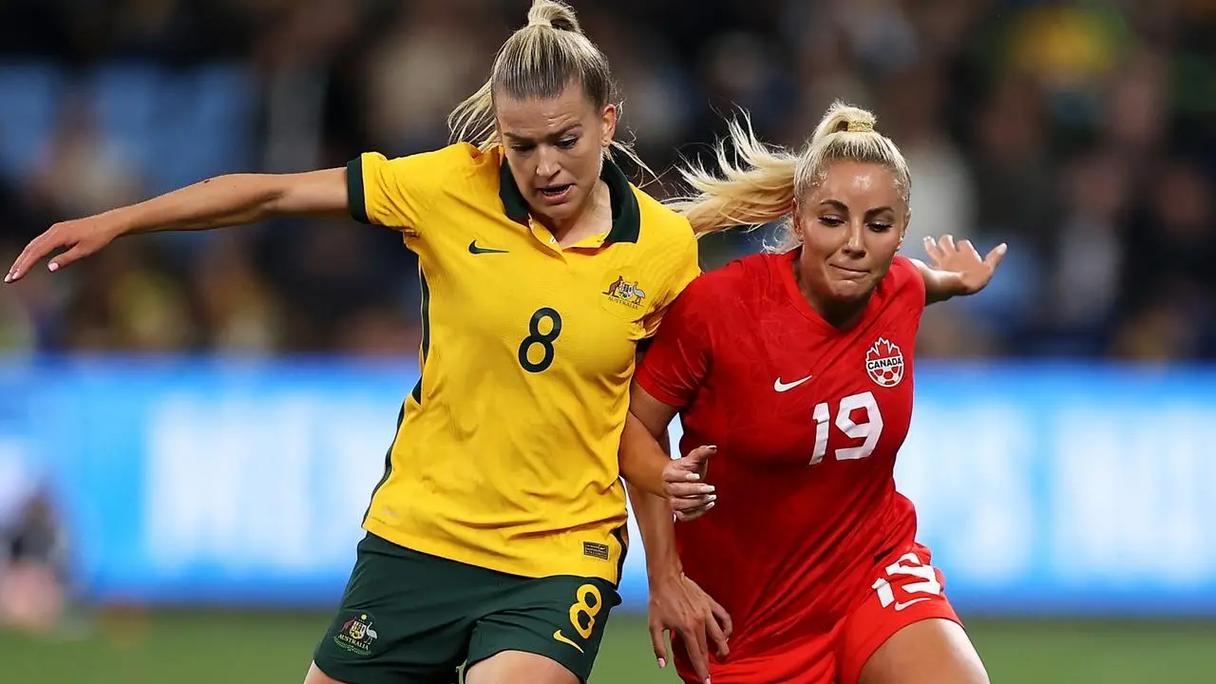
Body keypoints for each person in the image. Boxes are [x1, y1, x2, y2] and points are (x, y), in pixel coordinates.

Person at [4, 2, 727, 682]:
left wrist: (667, 575)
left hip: (562, 554)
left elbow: (641, 424)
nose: (544, 167)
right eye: (521, 145)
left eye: (565, 141)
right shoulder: (448, 186)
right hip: (421, 535)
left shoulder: (663, 250)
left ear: (607, 122)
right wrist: (118, 221)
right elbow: (272, 194)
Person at [619, 102, 1004, 683]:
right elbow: (634, 426)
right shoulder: (719, 308)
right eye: (832, 220)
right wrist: (665, 577)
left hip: (872, 572)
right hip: (747, 623)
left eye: (878, 226)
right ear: (797, 220)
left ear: (901, 232)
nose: (855, 244)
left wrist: (959, 280)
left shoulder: (897, 285)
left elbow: (921, 281)